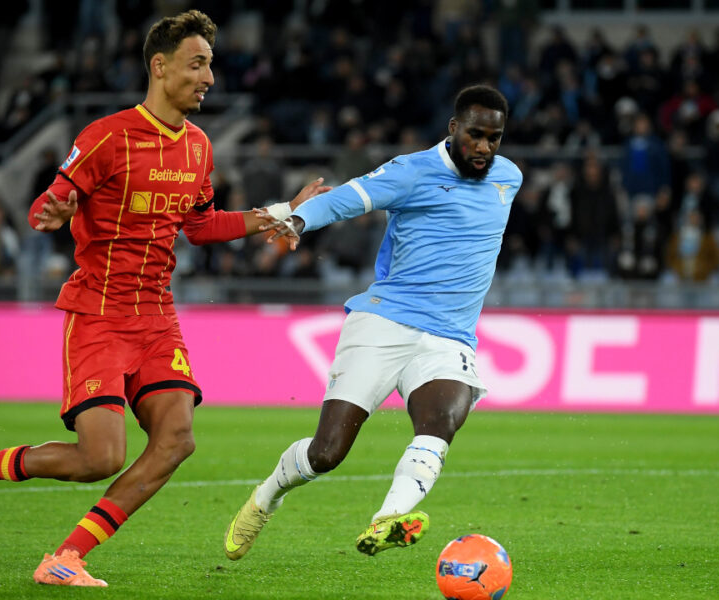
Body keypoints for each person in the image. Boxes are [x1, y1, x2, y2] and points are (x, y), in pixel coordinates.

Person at [0, 11, 328, 587]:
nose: (208, 77)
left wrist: (285, 213)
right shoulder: (106, 137)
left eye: (211, 64)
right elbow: (45, 206)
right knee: (100, 458)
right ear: (159, 68)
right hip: (99, 314)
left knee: (177, 440)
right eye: (197, 63)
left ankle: (66, 556)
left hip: (157, 318)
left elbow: (203, 225)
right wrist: (55, 211)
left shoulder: (199, 147)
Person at [223, 84, 521, 560]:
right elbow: (348, 197)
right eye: (475, 135)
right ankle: (266, 496)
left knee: (441, 422)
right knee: (327, 453)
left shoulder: (509, 177)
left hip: (450, 336)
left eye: (494, 138)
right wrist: (299, 220)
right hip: (386, 324)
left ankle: (387, 520)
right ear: (453, 128)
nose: (484, 148)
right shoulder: (412, 171)